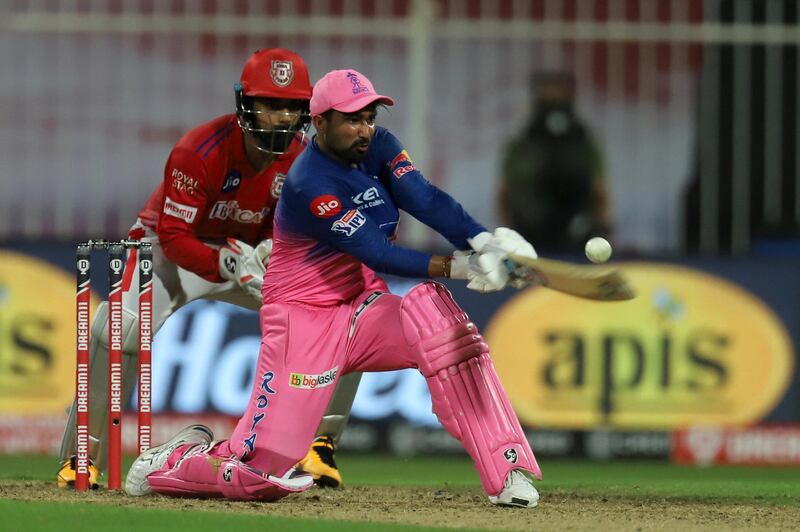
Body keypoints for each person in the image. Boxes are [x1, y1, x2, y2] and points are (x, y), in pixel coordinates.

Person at [125, 69, 542, 508]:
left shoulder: (379, 145)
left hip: (363, 306)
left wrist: (482, 240)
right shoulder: (310, 183)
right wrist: (461, 266)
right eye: (351, 120)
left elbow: (423, 198)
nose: (364, 129)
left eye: (369, 117)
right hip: (303, 321)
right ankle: (171, 463)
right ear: (319, 123)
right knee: (258, 475)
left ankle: (507, 469)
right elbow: (376, 251)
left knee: (443, 325)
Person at [57, 48, 365, 490]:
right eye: (270, 104)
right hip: (176, 250)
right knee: (119, 326)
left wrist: (271, 250)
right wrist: (221, 260)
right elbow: (173, 236)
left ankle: (319, 447)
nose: (281, 117)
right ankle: (81, 457)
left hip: (250, 256)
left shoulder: (304, 161)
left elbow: (305, 229)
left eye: (291, 106)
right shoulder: (198, 150)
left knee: (344, 316)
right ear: (245, 104)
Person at [498, 71, 611, 252]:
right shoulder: (522, 145)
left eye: (559, 94)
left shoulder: (584, 145)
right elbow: (503, 193)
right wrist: (508, 234)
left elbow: (601, 192)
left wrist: (603, 228)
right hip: (531, 233)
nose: (553, 100)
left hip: (577, 233)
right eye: (547, 94)